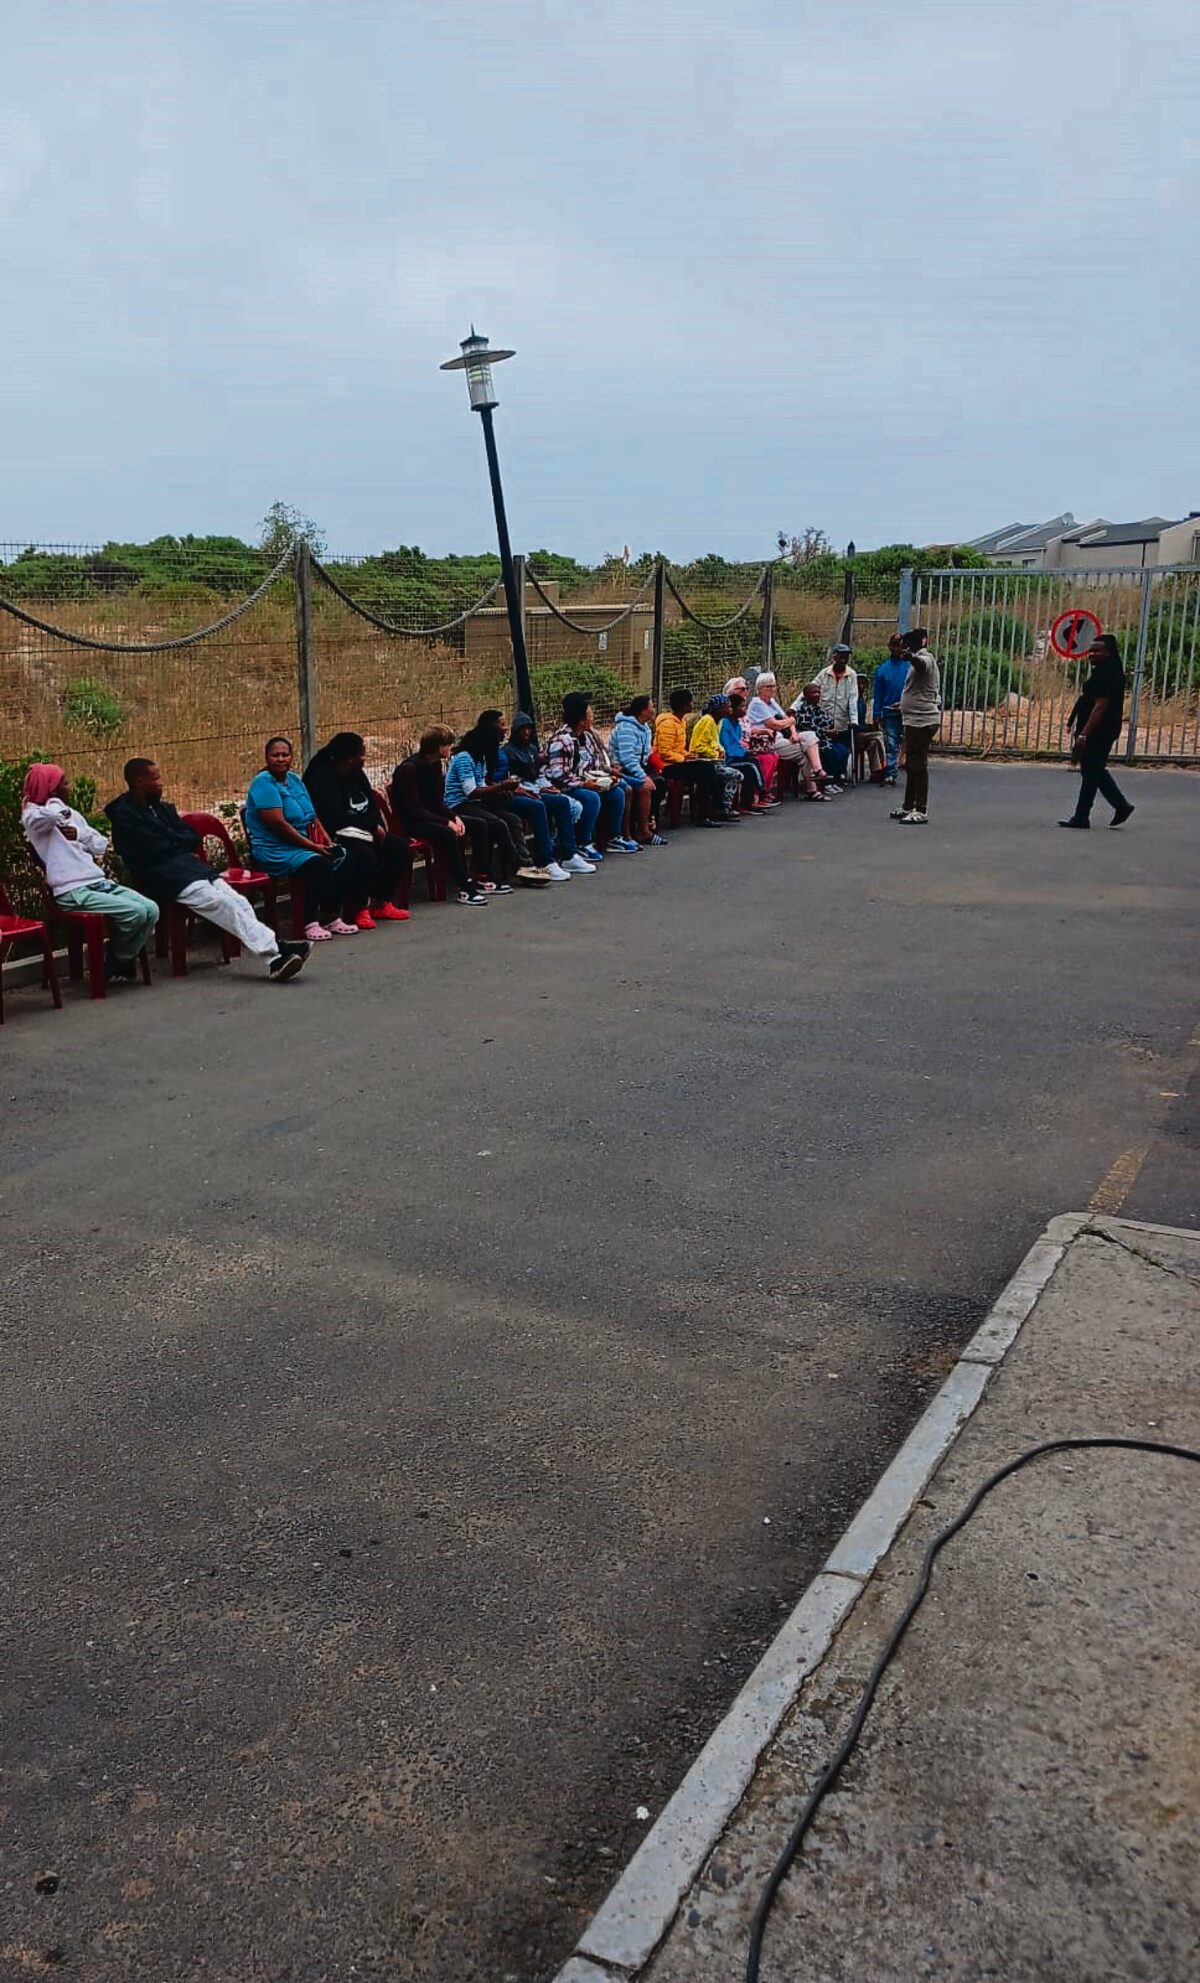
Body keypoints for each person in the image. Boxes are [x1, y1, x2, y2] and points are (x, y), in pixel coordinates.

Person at [106, 758, 310, 980]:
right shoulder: (126, 816)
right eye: (155, 779)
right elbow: (153, 850)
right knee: (221, 904)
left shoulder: (161, 808)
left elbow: (191, 836)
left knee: (238, 900)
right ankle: (275, 954)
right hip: (163, 877)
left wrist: (172, 839)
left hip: (191, 869)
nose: (161, 783)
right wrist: (175, 840)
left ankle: (276, 951)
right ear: (139, 782)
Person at [21, 762, 159, 982]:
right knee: (136, 913)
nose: (70, 788)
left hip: (98, 883)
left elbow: (100, 844)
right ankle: (121, 959)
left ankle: (118, 957)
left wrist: (79, 834)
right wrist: (56, 803)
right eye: (64, 783)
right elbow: (50, 817)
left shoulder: (72, 815)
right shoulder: (33, 816)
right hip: (72, 891)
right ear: (52, 789)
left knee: (151, 909)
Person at [244, 736, 358, 939]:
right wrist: (314, 847)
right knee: (317, 864)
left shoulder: (294, 780)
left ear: (291, 757)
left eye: (285, 755)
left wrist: (327, 841)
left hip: (302, 844)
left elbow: (312, 816)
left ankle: (331, 916)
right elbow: (279, 825)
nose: (280, 759)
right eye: (275, 755)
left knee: (344, 856)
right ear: (267, 758)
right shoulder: (263, 783)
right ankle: (308, 922)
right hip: (275, 848)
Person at [302, 732, 413, 926]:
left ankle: (381, 902)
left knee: (399, 847)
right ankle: (359, 908)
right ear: (349, 759)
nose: (364, 758)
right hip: (338, 834)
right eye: (361, 754)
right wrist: (371, 826)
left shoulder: (358, 775)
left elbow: (371, 805)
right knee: (365, 855)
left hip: (365, 830)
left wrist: (377, 827)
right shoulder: (324, 778)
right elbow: (335, 816)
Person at [444, 713, 552, 885]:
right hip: (459, 804)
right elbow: (471, 791)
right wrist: (501, 787)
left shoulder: (480, 759)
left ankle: (526, 863)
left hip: (475, 803)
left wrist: (504, 789)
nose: (506, 729)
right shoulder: (465, 758)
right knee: (497, 823)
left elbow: (482, 784)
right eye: (501, 725)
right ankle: (516, 867)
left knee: (513, 819)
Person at [389, 727, 489, 903]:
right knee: (447, 833)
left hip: (428, 816)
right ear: (437, 746)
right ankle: (464, 886)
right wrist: (446, 822)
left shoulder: (435, 766)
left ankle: (482, 876)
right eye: (448, 744)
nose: (451, 747)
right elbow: (413, 809)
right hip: (411, 822)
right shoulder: (409, 769)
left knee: (479, 824)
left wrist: (454, 817)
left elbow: (437, 803)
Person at [502, 714, 596, 874]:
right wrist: (537, 789)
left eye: (529, 729)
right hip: (522, 790)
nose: (527, 733)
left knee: (562, 802)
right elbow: (512, 780)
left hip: (537, 786)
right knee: (539, 806)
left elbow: (538, 774)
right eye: (523, 729)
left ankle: (569, 854)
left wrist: (547, 786)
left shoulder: (532, 749)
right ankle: (546, 859)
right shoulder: (507, 752)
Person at [1060, 634, 1134, 830]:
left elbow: (1100, 707)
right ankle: (1119, 806)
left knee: (1092, 771)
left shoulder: (1106, 675)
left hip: (1099, 731)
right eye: (1090, 650)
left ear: (1108, 653)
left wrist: (1084, 734)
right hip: (1102, 730)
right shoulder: (1107, 671)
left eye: (1097, 651)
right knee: (1093, 770)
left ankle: (1083, 815)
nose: (1091, 654)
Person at [544, 693, 628, 858]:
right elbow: (558, 774)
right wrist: (585, 784)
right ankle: (583, 842)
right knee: (591, 798)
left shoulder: (586, 736)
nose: (592, 717)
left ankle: (613, 837)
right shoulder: (562, 740)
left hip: (585, 779)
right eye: (589, 714)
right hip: (565, 786)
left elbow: (595, 763)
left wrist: (607, 777)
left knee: (617, 792)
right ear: (581, 720)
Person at [651, 687, 724, 826]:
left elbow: (679, 748)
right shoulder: (668, 724)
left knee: (708, 767)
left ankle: (713, 808)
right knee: (706, 769)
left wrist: (689, 755)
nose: (692, 705)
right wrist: (683, 759)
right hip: (667, 766)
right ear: (684, 706)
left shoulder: (681, 722)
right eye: (690, 703)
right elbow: (665, 752)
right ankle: (709, 812)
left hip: (677, 763)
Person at [747, 672, 824, 797]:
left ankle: (818, 770)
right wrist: (790, 721)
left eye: (773, 686)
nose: (772, 689)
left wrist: (794, 733)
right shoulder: (757, 704)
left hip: (782, 738)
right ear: (760, 688)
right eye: (768, 686)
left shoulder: (772, 702)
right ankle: (813, 789)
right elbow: (775, 724)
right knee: (806, 751)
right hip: (768, 742)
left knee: (810, 736)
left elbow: (786, 719)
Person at [894, 628, 942, 823]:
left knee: (918, 766)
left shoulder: (925, 659)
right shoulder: (916, 662)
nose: (903, 649)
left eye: (905, 646)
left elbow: (921, 665)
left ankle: (920, 809)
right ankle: (908, 805)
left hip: (922, 721)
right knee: (912, 765)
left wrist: (911, 657)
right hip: (914, 719)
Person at [610, 694, 668, 845]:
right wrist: (643, 776)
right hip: (622, 768)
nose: (654, 710)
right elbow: (627, 759)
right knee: (644, 787)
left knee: (660, 781)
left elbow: (647, 753)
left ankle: (650, 822)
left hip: (638, 766)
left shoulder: (645, 728)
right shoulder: (626, 728)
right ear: (643, 711)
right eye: (652, 707)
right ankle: (642, 831)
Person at [720, 695, 778, 810]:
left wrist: (746, 752)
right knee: (751, 765)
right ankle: (762, 791)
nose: (745, 709)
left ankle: (751, 801)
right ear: (733, 709)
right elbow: (726, 746)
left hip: (737, 755)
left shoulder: (737, 725)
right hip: (729, 759)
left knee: (753, 761)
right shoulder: (725, 724)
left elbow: (737, 744)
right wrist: (743, 753)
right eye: (741, 707)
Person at [689, 696, 744, 817]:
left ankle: (720, 806)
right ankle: (724, 807)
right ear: (719, 709)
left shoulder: (717, 722)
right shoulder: (707, 721)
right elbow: (699, 747)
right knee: (736, 775)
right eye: (727, 707)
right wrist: (715, 753)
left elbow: (715, 743)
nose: (730, 709)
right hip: (706, 761)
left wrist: (720, 750)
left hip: (715, 761)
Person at [787, 685, 843, 797]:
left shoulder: (819, 708)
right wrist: (826, 731)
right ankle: (825, 783)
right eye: (814, 692)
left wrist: (832, 730)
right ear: (806, 695)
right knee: (833, 753)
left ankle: (835, 779)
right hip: (815, 740)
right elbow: (808, 727)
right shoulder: (802, 710)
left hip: (826, 737)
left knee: (843, 751)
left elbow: (828, 721)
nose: (817, 695)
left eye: (818, 692)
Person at [872, 635, 910, 786]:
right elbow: (878, 694)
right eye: (894, 645)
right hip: (889, 711)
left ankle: (910, 767)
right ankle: (891, 772)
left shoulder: (910, 667)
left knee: (909, 740)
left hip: (908, 711)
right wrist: (876, 714)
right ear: (889, 646)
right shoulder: (882, 670)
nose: (897, 648)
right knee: (890, 742)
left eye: (900, 645)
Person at [814, 645, 859, 765]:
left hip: (841, 722)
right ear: (834, 656)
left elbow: (853, 698)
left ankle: (841, 772)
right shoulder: (824, 674)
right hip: (825, 721)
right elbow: (811, 689)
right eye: (841, 655)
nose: (844, 659)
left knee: (843, 750)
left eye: (846, 656)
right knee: (828, 751)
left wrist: (854, 720)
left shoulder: (852, 675)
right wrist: (794, 707)